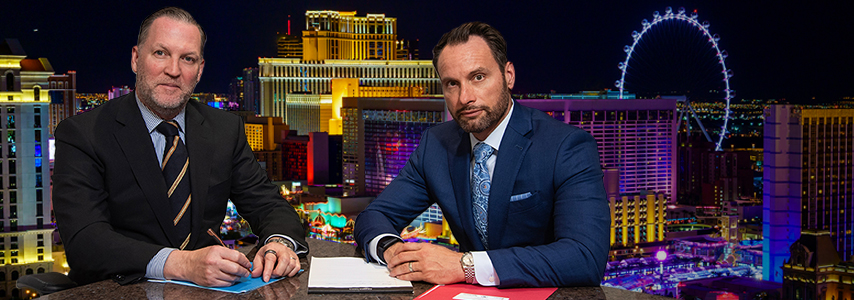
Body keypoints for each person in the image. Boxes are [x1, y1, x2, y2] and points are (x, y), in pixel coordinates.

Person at [53, 7, 307, 287]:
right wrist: (181, 263)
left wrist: (278, 244)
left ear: (199, 71)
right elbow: (85, 241)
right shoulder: (83, 134)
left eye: (187, 59)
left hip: (208, 292)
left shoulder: (224, 129)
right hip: (119, 288)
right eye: (160, 53)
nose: (173, 70)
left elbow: (269, 205)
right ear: (136, 59)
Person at [354, 22, 610, 288]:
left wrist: (465, 266)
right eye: (452, 84)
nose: (465, 97)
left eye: (478, 77)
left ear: (508, 75)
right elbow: (373, 217)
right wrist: (392, 249)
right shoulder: (436, 145)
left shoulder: (565, 146)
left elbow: (585, 256)